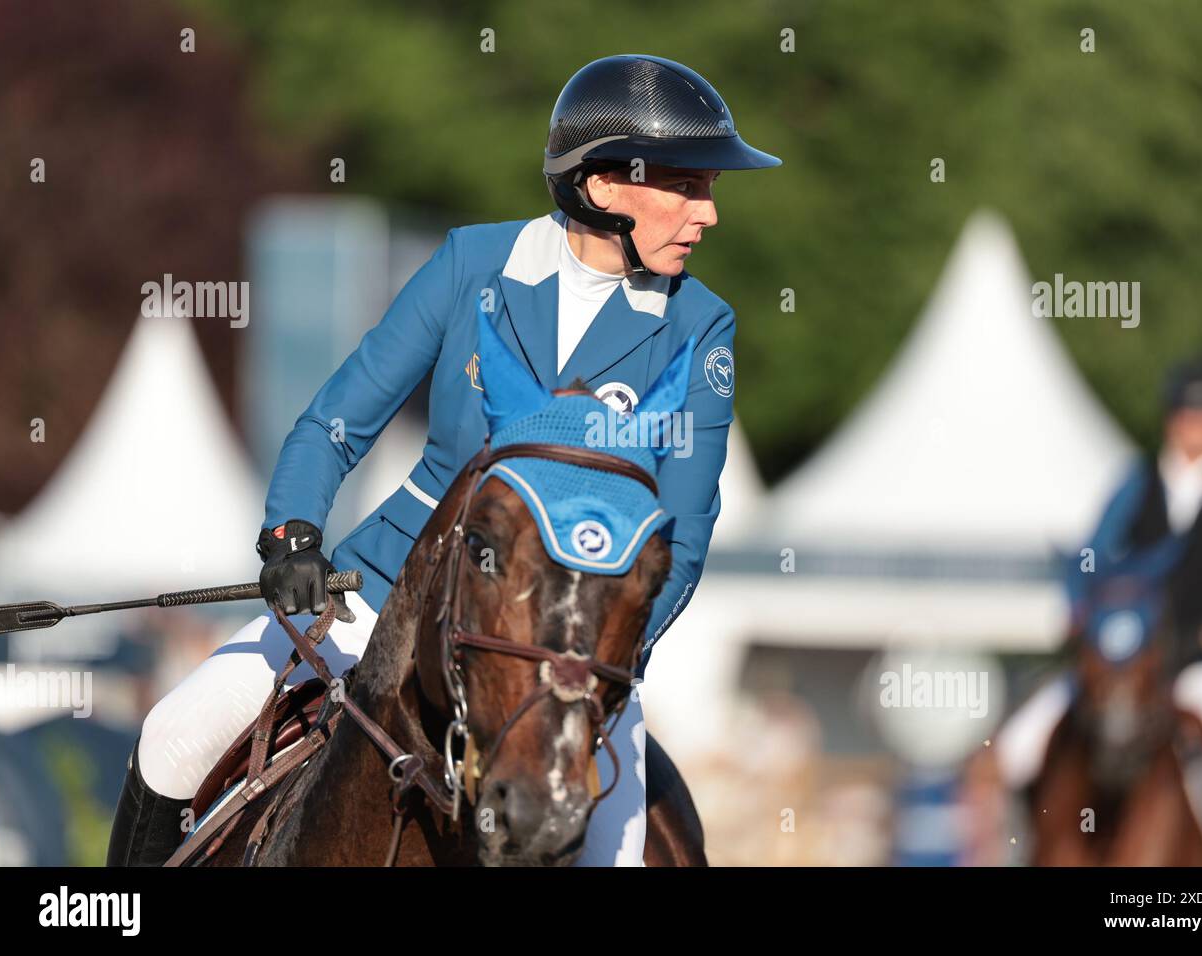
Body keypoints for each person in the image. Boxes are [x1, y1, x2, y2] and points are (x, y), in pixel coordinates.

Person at [106, 54, 781, 866]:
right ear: (601, 187)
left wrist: (606, 665)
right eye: (689, 187)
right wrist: (292, 533)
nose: (707, 215)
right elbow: (335, 421)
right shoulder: (470, 267)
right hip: (387, 601)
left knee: (618, 847)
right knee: (172, 738)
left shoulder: (698, 328)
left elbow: (690, 525)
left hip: (569, 649)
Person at [995, 358, 1202, 852]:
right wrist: (1080, 609)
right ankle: (1030, 845)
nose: (1196, 427)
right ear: (1171, 418)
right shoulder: (1136, 483)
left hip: (1197, 665)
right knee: (1017, 746)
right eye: (1186, 414)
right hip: (1122, 663)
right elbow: (1090, 554)